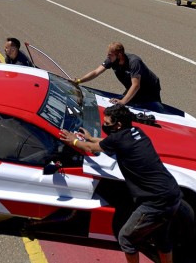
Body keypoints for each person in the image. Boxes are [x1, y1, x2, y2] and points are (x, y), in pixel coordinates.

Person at [59, 104, 182, 263]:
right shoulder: (136, 132)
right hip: (173, 194)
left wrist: (74, 141)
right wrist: (90, 138)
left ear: (118, 125)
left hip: (155, 201)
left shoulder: (118, 139)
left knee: (126, 238)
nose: (105, 125)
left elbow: (90, 148)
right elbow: (108, 142)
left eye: (107, 123)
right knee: (161, 237)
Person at [74, 42, 161, 106]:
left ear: (119, 55)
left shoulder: (134, 62)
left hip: (149, 89)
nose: (107, 57)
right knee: (125, 106)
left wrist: (123, 102)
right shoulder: (111, 60)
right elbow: (96, 72)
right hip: (131, 87)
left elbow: (136, 85)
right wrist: (79, 80)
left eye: (110, 55)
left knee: (153, 109)